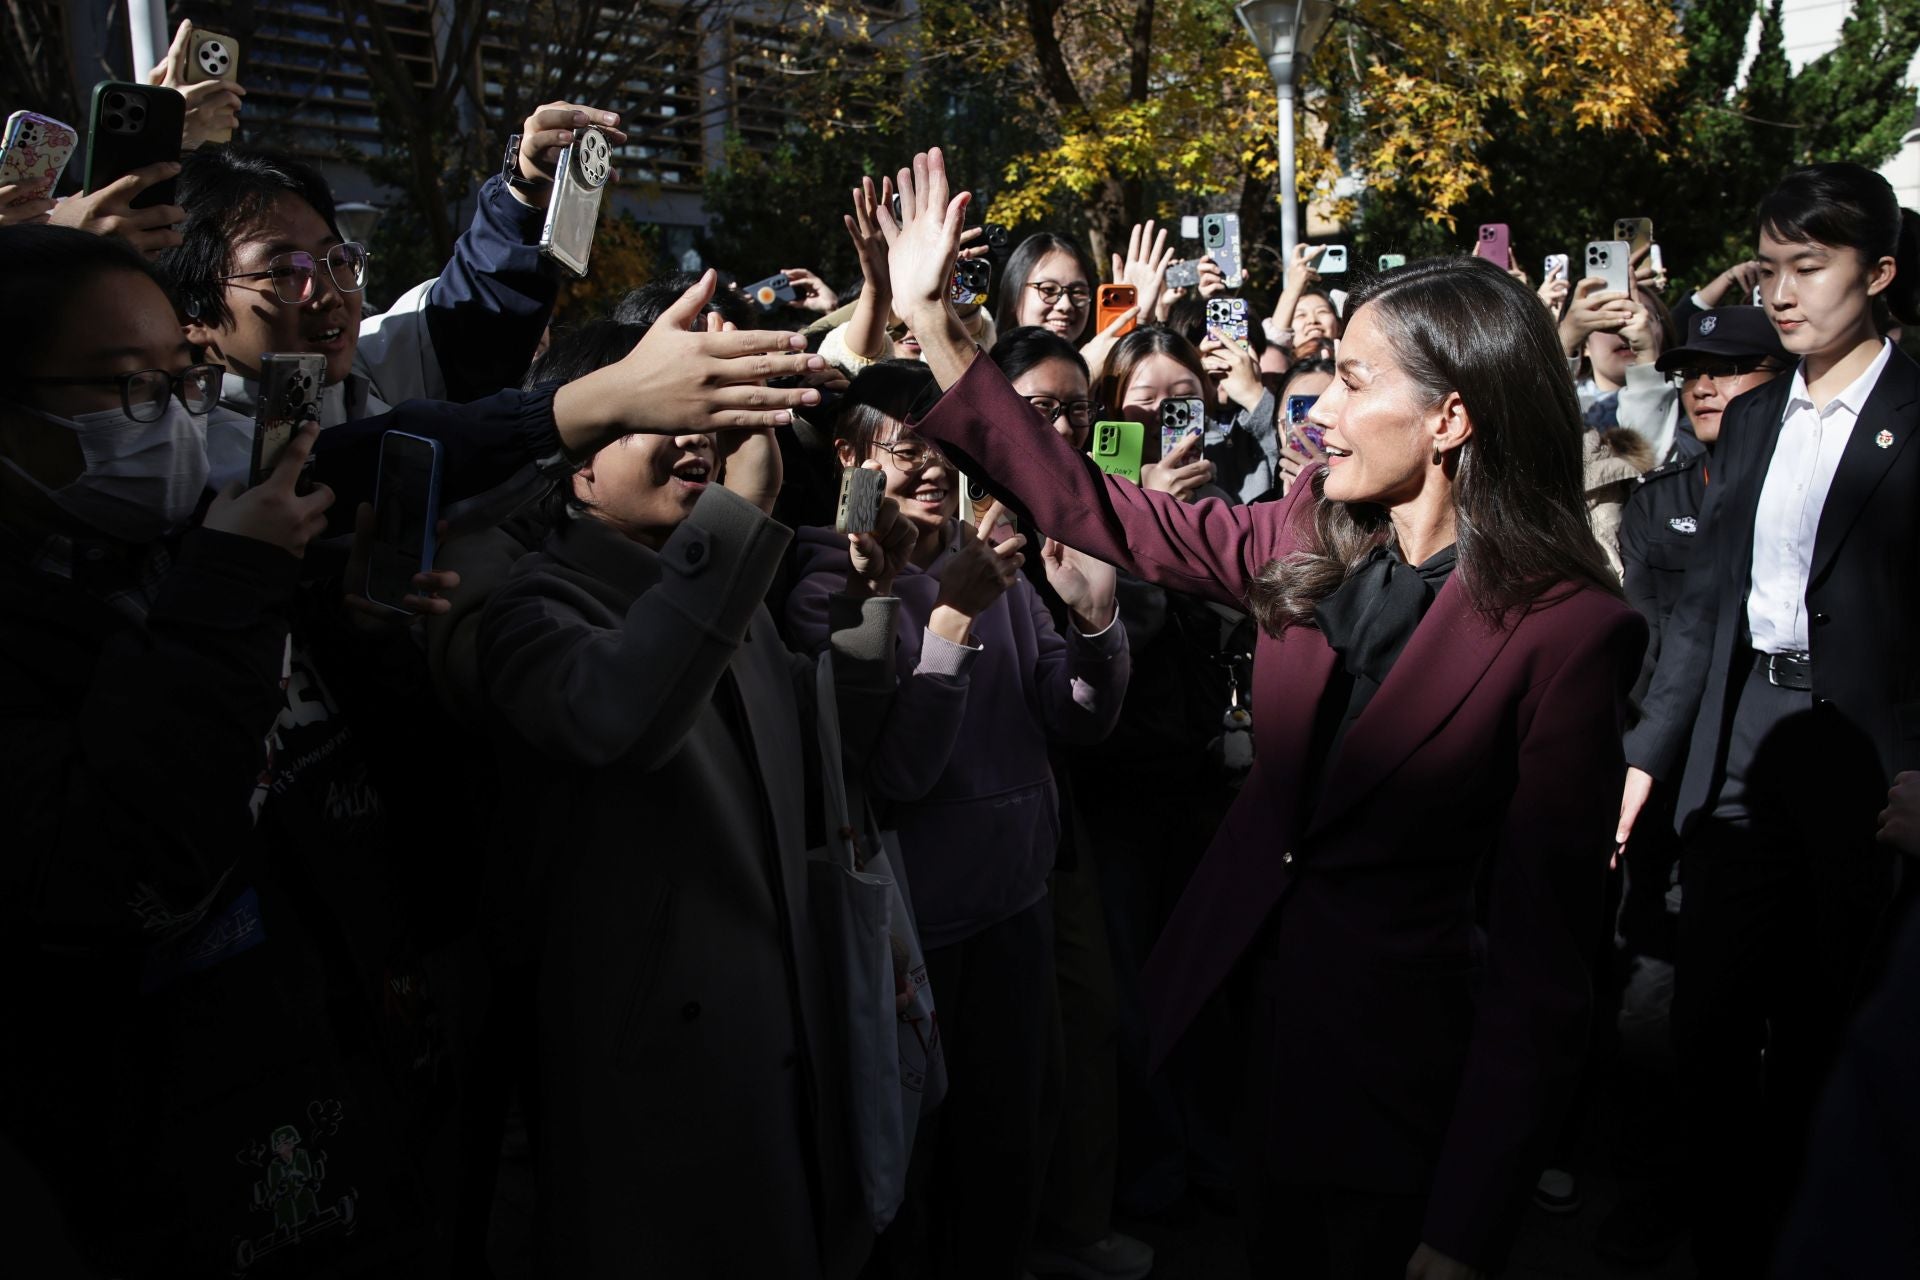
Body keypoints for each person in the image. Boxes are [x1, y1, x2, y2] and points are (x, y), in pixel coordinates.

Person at [878, 148, 1643, 1279]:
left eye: (1353, 379)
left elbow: (1544, 963)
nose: (1317, 408)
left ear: (1451, 419)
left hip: (1399, 1090)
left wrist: (1465, 1224)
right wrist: (934, 326)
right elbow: (1094, 502)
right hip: (1250, 1037)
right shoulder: (1304, 534)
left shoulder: (1569, 629)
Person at [475, 329, 921, 1276]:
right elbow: (622, 718)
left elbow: (821, 753)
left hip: (780, 1049)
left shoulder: (730, 584)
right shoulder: (531, 609)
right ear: (574, 468)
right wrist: (735, 519)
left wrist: (871, 610)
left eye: (708, 421)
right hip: (657, 1092)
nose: (696, 442)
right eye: (655, 419)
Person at [1617, 161, 1920, 1278]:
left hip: (1868, 760)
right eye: (1772, 267)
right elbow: (1703, 614)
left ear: (1878, 272)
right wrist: (1647, 758)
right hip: (1743, 738)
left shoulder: (1914, 417)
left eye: (1811, 266)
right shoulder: (1746, 427)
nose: (1782, 294)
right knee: (1704, 1022)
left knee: (1822, 1026)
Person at [786, 360, 1130, 1280]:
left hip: (1018, 903)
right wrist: (951, 621)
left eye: (944, 448)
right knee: (919, 1163)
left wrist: (1095, 627)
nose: (934, 469)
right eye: (906, 451)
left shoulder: (999, 567)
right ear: (853, 461)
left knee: (1013, 1143)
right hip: (913, 933)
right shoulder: (829, 591)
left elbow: (1076, 718)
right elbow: (899, 772)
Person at [156, 103, 624, 487]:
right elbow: (400, 450)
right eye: (286, 271)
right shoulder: (176, 458)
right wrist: (593, 404)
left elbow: (473, 314)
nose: (327, 295)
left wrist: (526, 187)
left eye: (337, 260)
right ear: (191, 311)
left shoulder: (367, 370)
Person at [987, 327, 1155, 1280]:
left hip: (1070, 822)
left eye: (1074, 411)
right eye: (1035, 409)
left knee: (1086, 1024)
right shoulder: (952, 513)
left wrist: (1102, 606)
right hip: (958, 841)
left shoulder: (1102, 507)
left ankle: (1077, 1222)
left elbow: (1086, 702)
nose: (1057, 428)